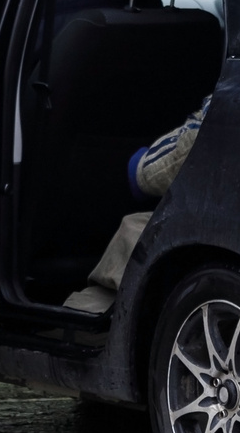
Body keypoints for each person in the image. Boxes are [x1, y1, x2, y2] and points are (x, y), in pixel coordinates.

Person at [63, 99, 207, 315]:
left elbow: (188, 149)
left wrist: (140, 168)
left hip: (217, 230)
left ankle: (81, 324)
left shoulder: (238, 93)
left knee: (135, 229)